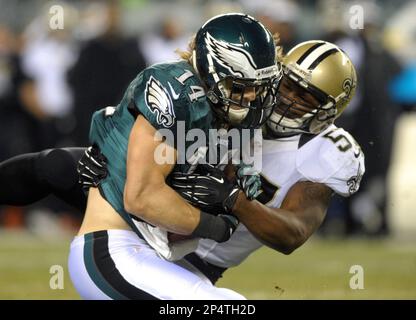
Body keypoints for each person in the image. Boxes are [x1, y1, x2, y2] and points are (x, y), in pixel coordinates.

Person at [68, 13, 279, 300]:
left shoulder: (233, 115)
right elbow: (142, 197)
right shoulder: (177, 91)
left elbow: (223, 191)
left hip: (159, 255)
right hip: (114, 248)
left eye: (259, 86)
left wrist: (232, 193)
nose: (252, 96)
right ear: (212, 71)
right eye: (240, 86)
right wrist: (217, 225)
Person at [169, 40, 365, 284]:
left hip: (195, 263)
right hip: (144, 226)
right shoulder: (244, 96)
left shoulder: (324, 151)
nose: (287, 98)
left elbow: (292, 234)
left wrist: (234, 199)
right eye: (288, 84)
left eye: (305, 95)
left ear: (327, 110)